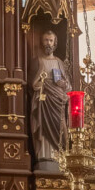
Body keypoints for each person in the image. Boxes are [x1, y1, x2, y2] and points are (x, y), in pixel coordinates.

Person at [28, 30, 72, 169]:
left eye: (51, 40)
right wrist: (41, 83)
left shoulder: (59, 62)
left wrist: (63, 85)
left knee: (59, 126)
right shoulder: (38, 61)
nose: (48, 43)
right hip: (43, 101)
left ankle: (60, 155)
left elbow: (68, 86)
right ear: (42, 42)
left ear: (55, 43)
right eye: (46, 40)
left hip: (57, 100)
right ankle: (43, 155)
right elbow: (31, 84)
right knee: (42, 125)